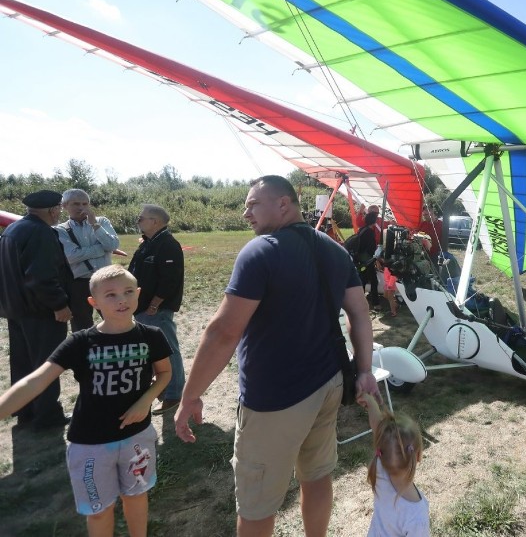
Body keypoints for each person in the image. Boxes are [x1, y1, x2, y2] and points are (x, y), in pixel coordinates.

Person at [173, 175, 380, 537]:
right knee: (317, 477)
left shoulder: (261, 250)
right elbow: (360, 315)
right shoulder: (335, 250)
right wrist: (363, 370)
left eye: (253, 204)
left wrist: (190, 395)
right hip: (330, 383)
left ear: (283, 204)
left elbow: (223, 332)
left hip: (276, 399)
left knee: (257, 503)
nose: (245, 213)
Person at [0, 264, 172, 536]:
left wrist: (145, 401)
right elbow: (36, 380)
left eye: (128, 292)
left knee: (136, 497)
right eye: (111, 295)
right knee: (99, 510)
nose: (122, 300)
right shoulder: (80, 342)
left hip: (137, 439)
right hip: (91, 444)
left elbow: (164, 374)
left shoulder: (151, 336)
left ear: (138, 293)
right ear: (93, 302)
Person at [0, 189, 72, 429]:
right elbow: (41, 277)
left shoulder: (13, 229)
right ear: (52, 210)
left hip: (17, 310)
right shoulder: (41, 233)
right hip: (41, 312)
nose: (60, 212)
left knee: (23, 364)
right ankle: (47, 416)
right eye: (59, 208)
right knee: (46, 365)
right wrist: (60, 304)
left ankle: (25, 412)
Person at [128, 204, 186, 415]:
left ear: (155, 221)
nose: (138, 221)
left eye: (141, 218)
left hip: (156, 310)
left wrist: (154, 304)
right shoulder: (148, 243)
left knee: (167, 350)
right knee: (153, 352)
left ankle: (174, 394)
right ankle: (163, 387)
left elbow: (170, 280)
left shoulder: (168, 245)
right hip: (142, 308)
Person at [357, 393, 430, 537]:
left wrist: (371, 404)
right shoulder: (416, 515)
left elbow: (378, 429)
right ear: (418, 455)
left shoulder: (380, 469)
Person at [57, 188, 121, 331]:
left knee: (115, 317)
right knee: (81, 323)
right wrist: (101, 249)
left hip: (105, 280)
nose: (81, 208)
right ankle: (84, 351)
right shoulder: (60, 229)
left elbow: (112, 245)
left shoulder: (102, 221)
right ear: (65, 206)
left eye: (85, 204)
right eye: (76, 204)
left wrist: (95, 225)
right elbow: (71, 256)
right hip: (78, 283)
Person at [358, 211, 381, 308]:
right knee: (374, 281)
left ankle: (359, 303)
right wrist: (376, 257)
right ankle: (375, 303)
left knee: (362, 281)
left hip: (360, 259)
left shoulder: (362, 229)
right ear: (374, 221)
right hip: (368, 260)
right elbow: (371, 248)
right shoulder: (370, 232)